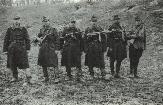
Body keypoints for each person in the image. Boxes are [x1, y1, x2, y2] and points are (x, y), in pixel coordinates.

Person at [3, 16, 31, 83]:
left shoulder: (23, 29)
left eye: (18, 20)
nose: (16, 21)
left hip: (21, 49)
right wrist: (5, 50)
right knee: (13, 63)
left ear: (20, 21)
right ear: (13, 21)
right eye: (15, 20)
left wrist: (28, 49)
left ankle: (29, 78)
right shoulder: (9, 29)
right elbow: (6, 40)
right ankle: (15, 77)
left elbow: (27, 39)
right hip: (12, 49)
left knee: (25, 64)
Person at [36, 16, 59, 82]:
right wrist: (37, 39)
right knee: (43, 62)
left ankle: (56, 77)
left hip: (51, 47)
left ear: (49, 22)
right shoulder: (41, 30)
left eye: (47, 21)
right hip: (43, 48)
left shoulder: (53, 29)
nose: (45, 23)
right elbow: (38, 37)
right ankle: (46, 77)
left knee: (54, 63)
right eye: (44, 22)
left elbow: (57, 40)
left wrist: (57, 49)